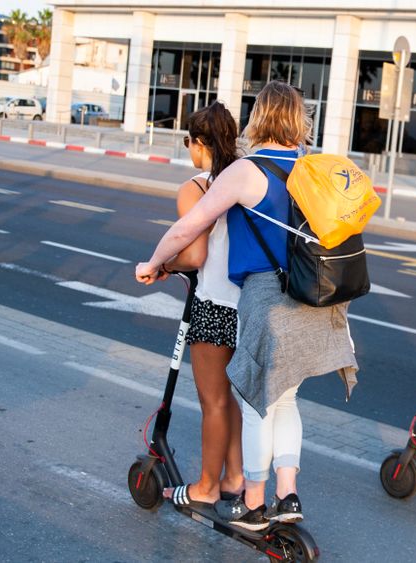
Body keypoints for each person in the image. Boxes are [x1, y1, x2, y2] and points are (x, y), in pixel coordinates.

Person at [135, 81, 358, 531]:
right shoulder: (311, 169)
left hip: (266, 297)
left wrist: (154, 261)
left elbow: (190, 226)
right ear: (299, 120)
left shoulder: (246, 169)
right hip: (313, 296)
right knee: (287, 400)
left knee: (257, 402)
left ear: (260, 116)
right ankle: (287, 493)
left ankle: (252, 503)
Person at [143, 102, 245, 510]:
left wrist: (164, 265)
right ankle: (235, 476)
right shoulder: (246, 178)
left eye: (188, 141)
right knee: (230, 396)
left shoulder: (197, 186)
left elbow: (196, 254)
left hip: (216, 302)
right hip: (250, 302)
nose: (188, 148)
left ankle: (206, 486)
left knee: (213, 400)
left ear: (200, 143)